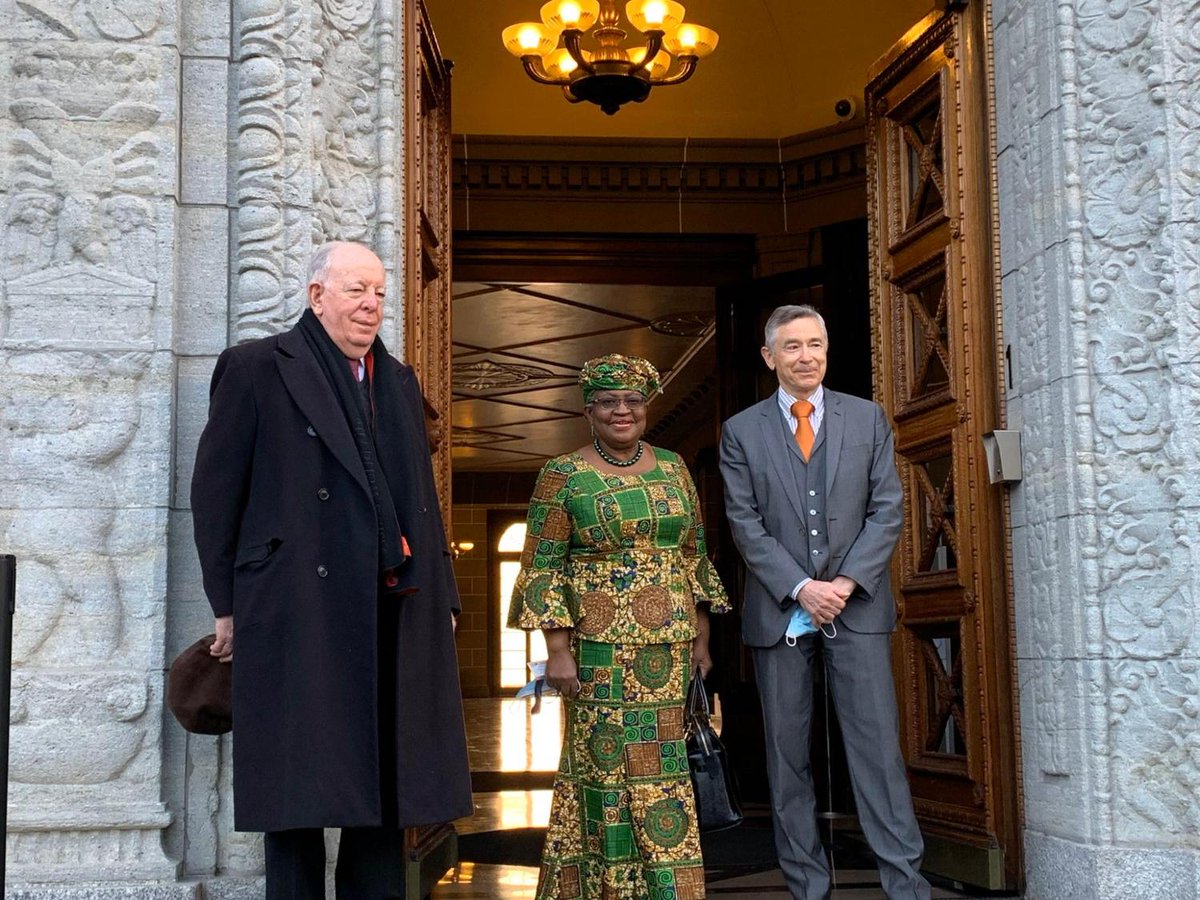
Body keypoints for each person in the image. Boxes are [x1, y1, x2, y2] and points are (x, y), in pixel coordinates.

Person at [191, 240, 472, 899]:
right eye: (356, 290)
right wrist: (225, 605)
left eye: (378, 291)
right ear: (317, 296)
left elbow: (419, 500)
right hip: (295, 607)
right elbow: (216, 495)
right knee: (298, 792)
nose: (372, 304)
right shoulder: (256, 368)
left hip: (391, 605)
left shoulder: (397, 380)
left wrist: (445, 597)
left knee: (385, 782)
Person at [719, 305, 930, 900]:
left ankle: (905, 885)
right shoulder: (741, 431)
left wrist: (843, 584)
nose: (806, 355)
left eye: (815, 344)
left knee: (876, 754)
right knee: (788, 762)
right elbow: (744, 523)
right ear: (770, 357)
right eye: (792, 347)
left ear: (827, 351)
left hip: (856, 608)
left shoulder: (867, 419)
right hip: (780, 612)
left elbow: (887, 509)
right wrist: (801, 588)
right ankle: (807, 887)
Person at [508, 354, 731, 900]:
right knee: (605, 772)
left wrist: (700, 635)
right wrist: (556, 651)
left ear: (646, 405)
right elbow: (542, 566)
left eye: (632, 400)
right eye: (609, 402)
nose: (622, 411)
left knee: (663, 771)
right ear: (589, 410)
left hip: (668, 651)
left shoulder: (676, 467)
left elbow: (693, 554)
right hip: (597, 651)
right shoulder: (562, 475)